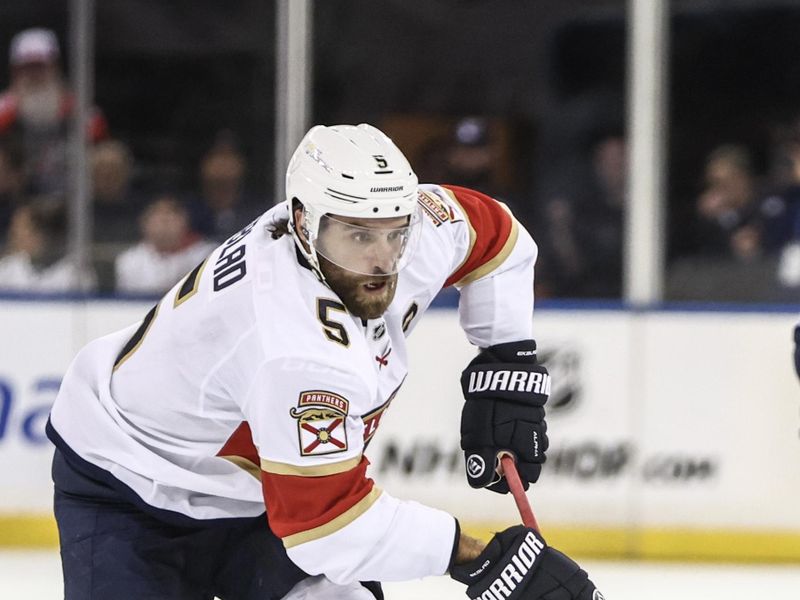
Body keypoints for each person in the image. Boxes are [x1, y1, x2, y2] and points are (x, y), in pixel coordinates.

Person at [47, 124, 600, 599]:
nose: (383, 261)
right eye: (358, 235)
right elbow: (329, 526)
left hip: (262, 500)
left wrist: (504, 359)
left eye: (395, 233)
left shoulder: (398, 231)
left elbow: (497, 237)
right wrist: (483, 559)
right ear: (303, 223)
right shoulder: (292, 342)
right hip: (129, 490)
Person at [0, 28, 108, 196]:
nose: (34, 74)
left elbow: (98, 132)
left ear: (54, 67)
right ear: (16, 71)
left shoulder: (71, 102)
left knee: (109, 157)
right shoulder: (7, 103)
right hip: (19, 186)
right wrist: (15, 107)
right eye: (27, 67)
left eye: (40, 66)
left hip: (67, 182)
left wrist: (67, 108)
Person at [114, 193, 215, 295]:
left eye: (171, 216)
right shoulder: (129, 260)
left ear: (185, 221)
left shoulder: (204, 255)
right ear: (144, 223)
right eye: (158, 217)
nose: (165, 224)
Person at [0, 196, 95, 292]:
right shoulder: (7, 269)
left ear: (40, 234)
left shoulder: (75, 274)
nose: (13, 237)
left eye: (19, 231)